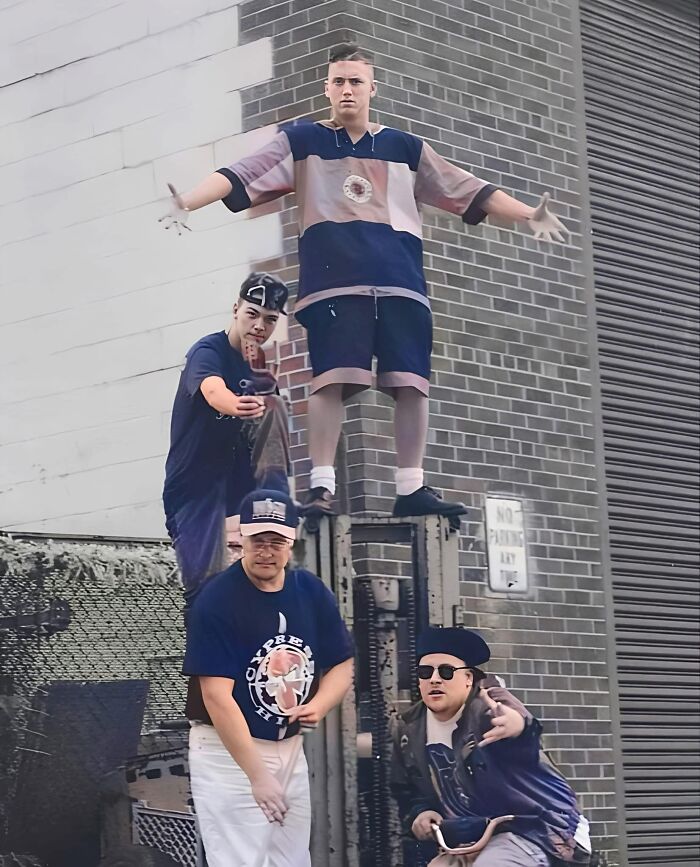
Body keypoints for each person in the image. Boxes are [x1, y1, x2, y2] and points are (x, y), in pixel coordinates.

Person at [159, 43, 570, 526]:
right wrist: (189, 201)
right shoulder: (302, 141)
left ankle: (410, 486)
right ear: (326, 88)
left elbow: (467, 187)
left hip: (401, 283)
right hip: (335, 285)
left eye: (356, 81)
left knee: (411, 383)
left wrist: (528, 215)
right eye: (339, 81)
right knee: (332, 379)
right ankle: (322, 487)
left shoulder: (405, 148)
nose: (347, 89)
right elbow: (241, 172)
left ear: (373, 88)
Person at [182, 488, 354, 867]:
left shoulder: (310, 590)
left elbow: (342, 663)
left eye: (276, 541)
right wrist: (257, 775)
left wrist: (319, 705)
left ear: (291, 542)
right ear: (242, 539)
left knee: (292, 860)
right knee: (240, 860)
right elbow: (217, 697)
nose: (266, 551)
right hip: (228, 749)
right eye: (258, 540)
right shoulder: (217, 599)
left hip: (288, 744)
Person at [391, 627, 592, 866]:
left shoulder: (489, 705)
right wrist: (421, 812)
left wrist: (518, 726)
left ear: (468, 679)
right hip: (475, 836)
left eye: (446, 671)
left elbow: (522, 736)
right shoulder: (408, 728)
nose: (434, 679)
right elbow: (407, 788)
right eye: (425, 672)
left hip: (537, 828)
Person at [163, 272, 291, 599]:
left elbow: (272, 445)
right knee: (206, 591)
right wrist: (235, 405)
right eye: (252, 314)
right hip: (195, 493)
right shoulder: (208, 350)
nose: (259, 326)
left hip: (242, 498)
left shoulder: (262, 374)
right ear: (236, 309)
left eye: (270, 320)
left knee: (254, 593)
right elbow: (212, 389)